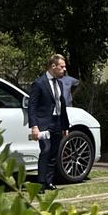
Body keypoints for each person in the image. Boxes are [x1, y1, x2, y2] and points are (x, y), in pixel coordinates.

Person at [27, 53, 70, 190]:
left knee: (54, 153)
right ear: (53, 66)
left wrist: (65, 125)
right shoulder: (39, 83)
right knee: (45, 150)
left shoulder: (60, 84)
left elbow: (62, 106)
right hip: (44, 123)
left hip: (57, 122)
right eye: (62, 67)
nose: (64, 70)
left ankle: (49, 181)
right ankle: (40, 183)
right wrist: (34, 126)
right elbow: (32, 106)